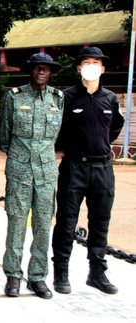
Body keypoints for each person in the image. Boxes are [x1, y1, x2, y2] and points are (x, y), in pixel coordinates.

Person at [51, 47, 124, 295]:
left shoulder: (110, 99)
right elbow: (58, 130)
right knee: (66, 222)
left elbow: (114, 127)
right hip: (74, 167)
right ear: (78, 68)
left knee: (100, 221)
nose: (92, 66)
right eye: (86, 62)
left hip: (103, 167)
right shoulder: (67, 97)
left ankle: (97, 273)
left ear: (103, 68)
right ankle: (61, 271)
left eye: (96, 62)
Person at [0, 53, 64, 299]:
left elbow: (56, 136)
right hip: (20, 170)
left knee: (43, 226)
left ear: (50, 73)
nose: (41, 72)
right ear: (30, 71)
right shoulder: (14, 97)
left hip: (47, 172)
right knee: (16, 223)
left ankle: (37, 277)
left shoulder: (58, 99)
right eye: (36, 68)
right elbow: (4, 136)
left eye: (45, 69)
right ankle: (13, 276)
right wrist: (20, 157)